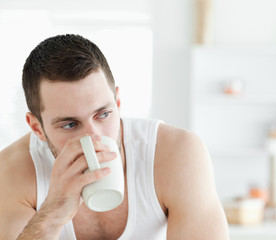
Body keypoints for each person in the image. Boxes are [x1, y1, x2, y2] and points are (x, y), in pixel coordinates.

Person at [0, 34, 229, 239]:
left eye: (104, 114)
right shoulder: (11, 171)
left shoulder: (177, 153)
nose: (94, 137)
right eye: (70, 124)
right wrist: (53, 213)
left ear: (118, 103)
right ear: (37, 128)